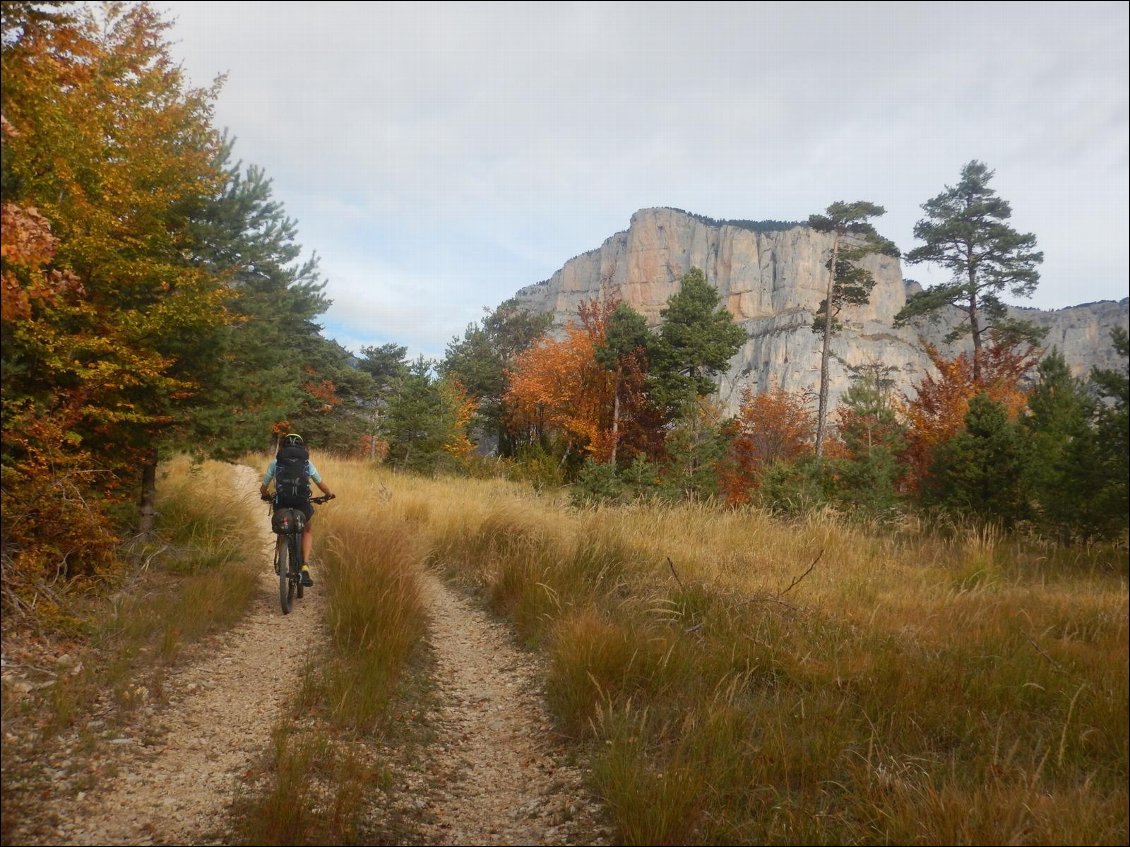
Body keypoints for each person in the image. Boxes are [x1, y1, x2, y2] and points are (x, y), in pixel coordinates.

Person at [259, 433, 335, 586]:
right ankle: (305, 565)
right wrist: (328, 494)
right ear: (302, 447)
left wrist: (266, 496)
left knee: (282, 529)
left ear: (283, 447)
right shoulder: (307, 463)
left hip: (282, 503)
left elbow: (263, 488)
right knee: (306, 530)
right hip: (302, 503)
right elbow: (320, 483)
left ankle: (282, 562)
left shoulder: (276, 463)